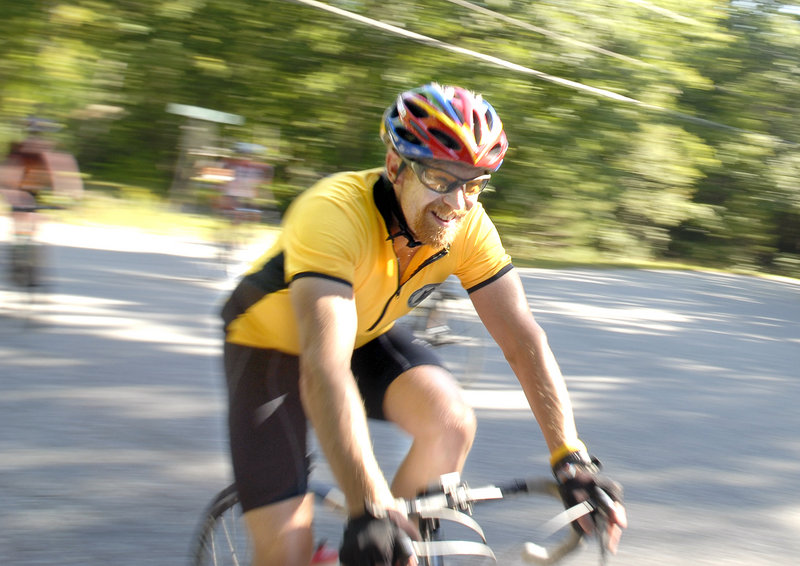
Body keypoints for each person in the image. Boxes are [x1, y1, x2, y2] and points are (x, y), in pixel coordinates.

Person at [220, 83, 627, 566]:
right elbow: (323, 367)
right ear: (395, 166)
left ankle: (394, 544)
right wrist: (368, 506)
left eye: (475, 182)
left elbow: (522, 338)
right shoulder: (334, 212)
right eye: (440, 177)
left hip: (364, 332)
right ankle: (373, 529)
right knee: (285, 552)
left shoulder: (468, 227)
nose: (458, 202)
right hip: (270, 347)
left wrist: (571, 457)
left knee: (450, 422)